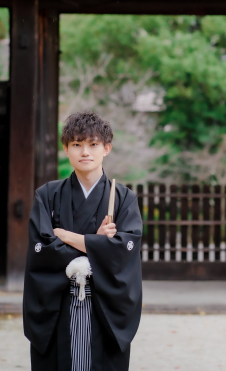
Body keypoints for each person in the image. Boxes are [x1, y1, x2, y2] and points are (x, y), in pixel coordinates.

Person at [23, 111, 142, 371]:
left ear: (106, 148)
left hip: (104, 308)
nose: (84, 152)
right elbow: (41, 249)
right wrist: (96, 243)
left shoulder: (123, 199)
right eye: (76, 144)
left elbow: (123, 250)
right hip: (58, 305)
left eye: (93, 144)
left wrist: (68, 237)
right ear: (66, 149)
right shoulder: (47, 195)